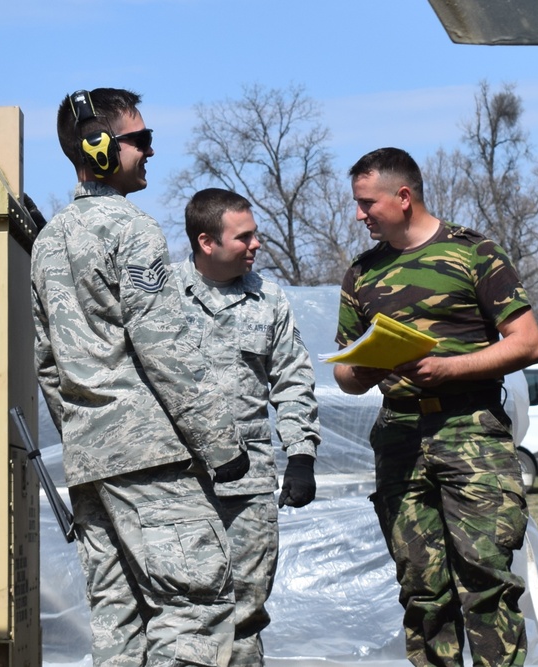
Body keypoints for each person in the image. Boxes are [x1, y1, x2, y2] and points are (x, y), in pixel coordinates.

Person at [31, 88, 249, 667]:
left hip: (90, 462)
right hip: (150, 458)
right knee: (195, 606)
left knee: (118, 617)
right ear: (100, 148)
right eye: (141, 140)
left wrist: (85, 432)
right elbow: (164, 349)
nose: (151, 151)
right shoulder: (134, 231)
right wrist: (222, 444)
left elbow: (48, 364)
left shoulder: (48, 241)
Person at [332, 148, 538, 667]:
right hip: (400, 436)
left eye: (367, 204)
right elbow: (342, 371)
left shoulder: (475, 254)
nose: (360, 215)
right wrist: (365, 368)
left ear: (403, 197)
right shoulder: (361, 275)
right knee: (422, 590)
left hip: (470, 431)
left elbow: (528, 343)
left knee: (486, 582)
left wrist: (451, 368)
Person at [171, 188, 320, 667]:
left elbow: (293, 380)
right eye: (245, 236)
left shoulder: (269, 299)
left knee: (245, 613)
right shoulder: (162, 296)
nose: (257, 244)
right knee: (182, 615)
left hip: (248, 488)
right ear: (207, 242)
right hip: (177, 486)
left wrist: (300, 457)